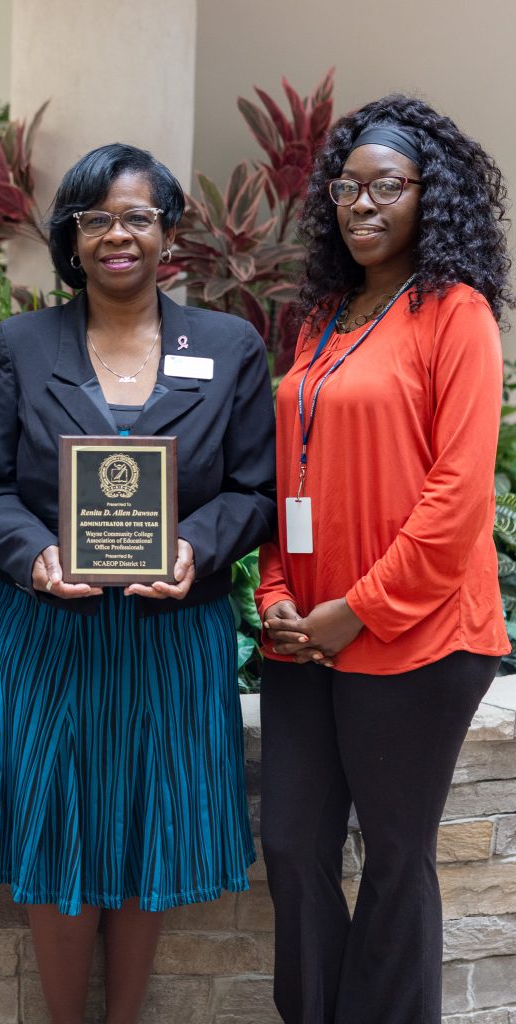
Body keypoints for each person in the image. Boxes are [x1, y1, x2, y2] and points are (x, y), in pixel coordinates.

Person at [0, 142, 276, 1024]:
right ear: (71, 235)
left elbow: (254, 491)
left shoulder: (228, 345)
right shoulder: (22, 344)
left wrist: (195, 548)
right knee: (58, 832)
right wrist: (32, 555)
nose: (117, 234)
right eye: (95, 218)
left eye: (137, 216)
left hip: (172, 633)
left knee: (148, 830)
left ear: (169, 232)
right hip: (51, 632)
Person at [256, 95, 513, 1024]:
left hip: (418, 638)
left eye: (386, 187)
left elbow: (457, 498)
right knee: (289, 844)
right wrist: (279, 587)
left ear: (427, 195)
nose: (361, 205)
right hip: (306, 634)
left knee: (396, 859)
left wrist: (354, 610)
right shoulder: (322, 315)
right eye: (346, 188)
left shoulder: (456, 312)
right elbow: (295, 469)